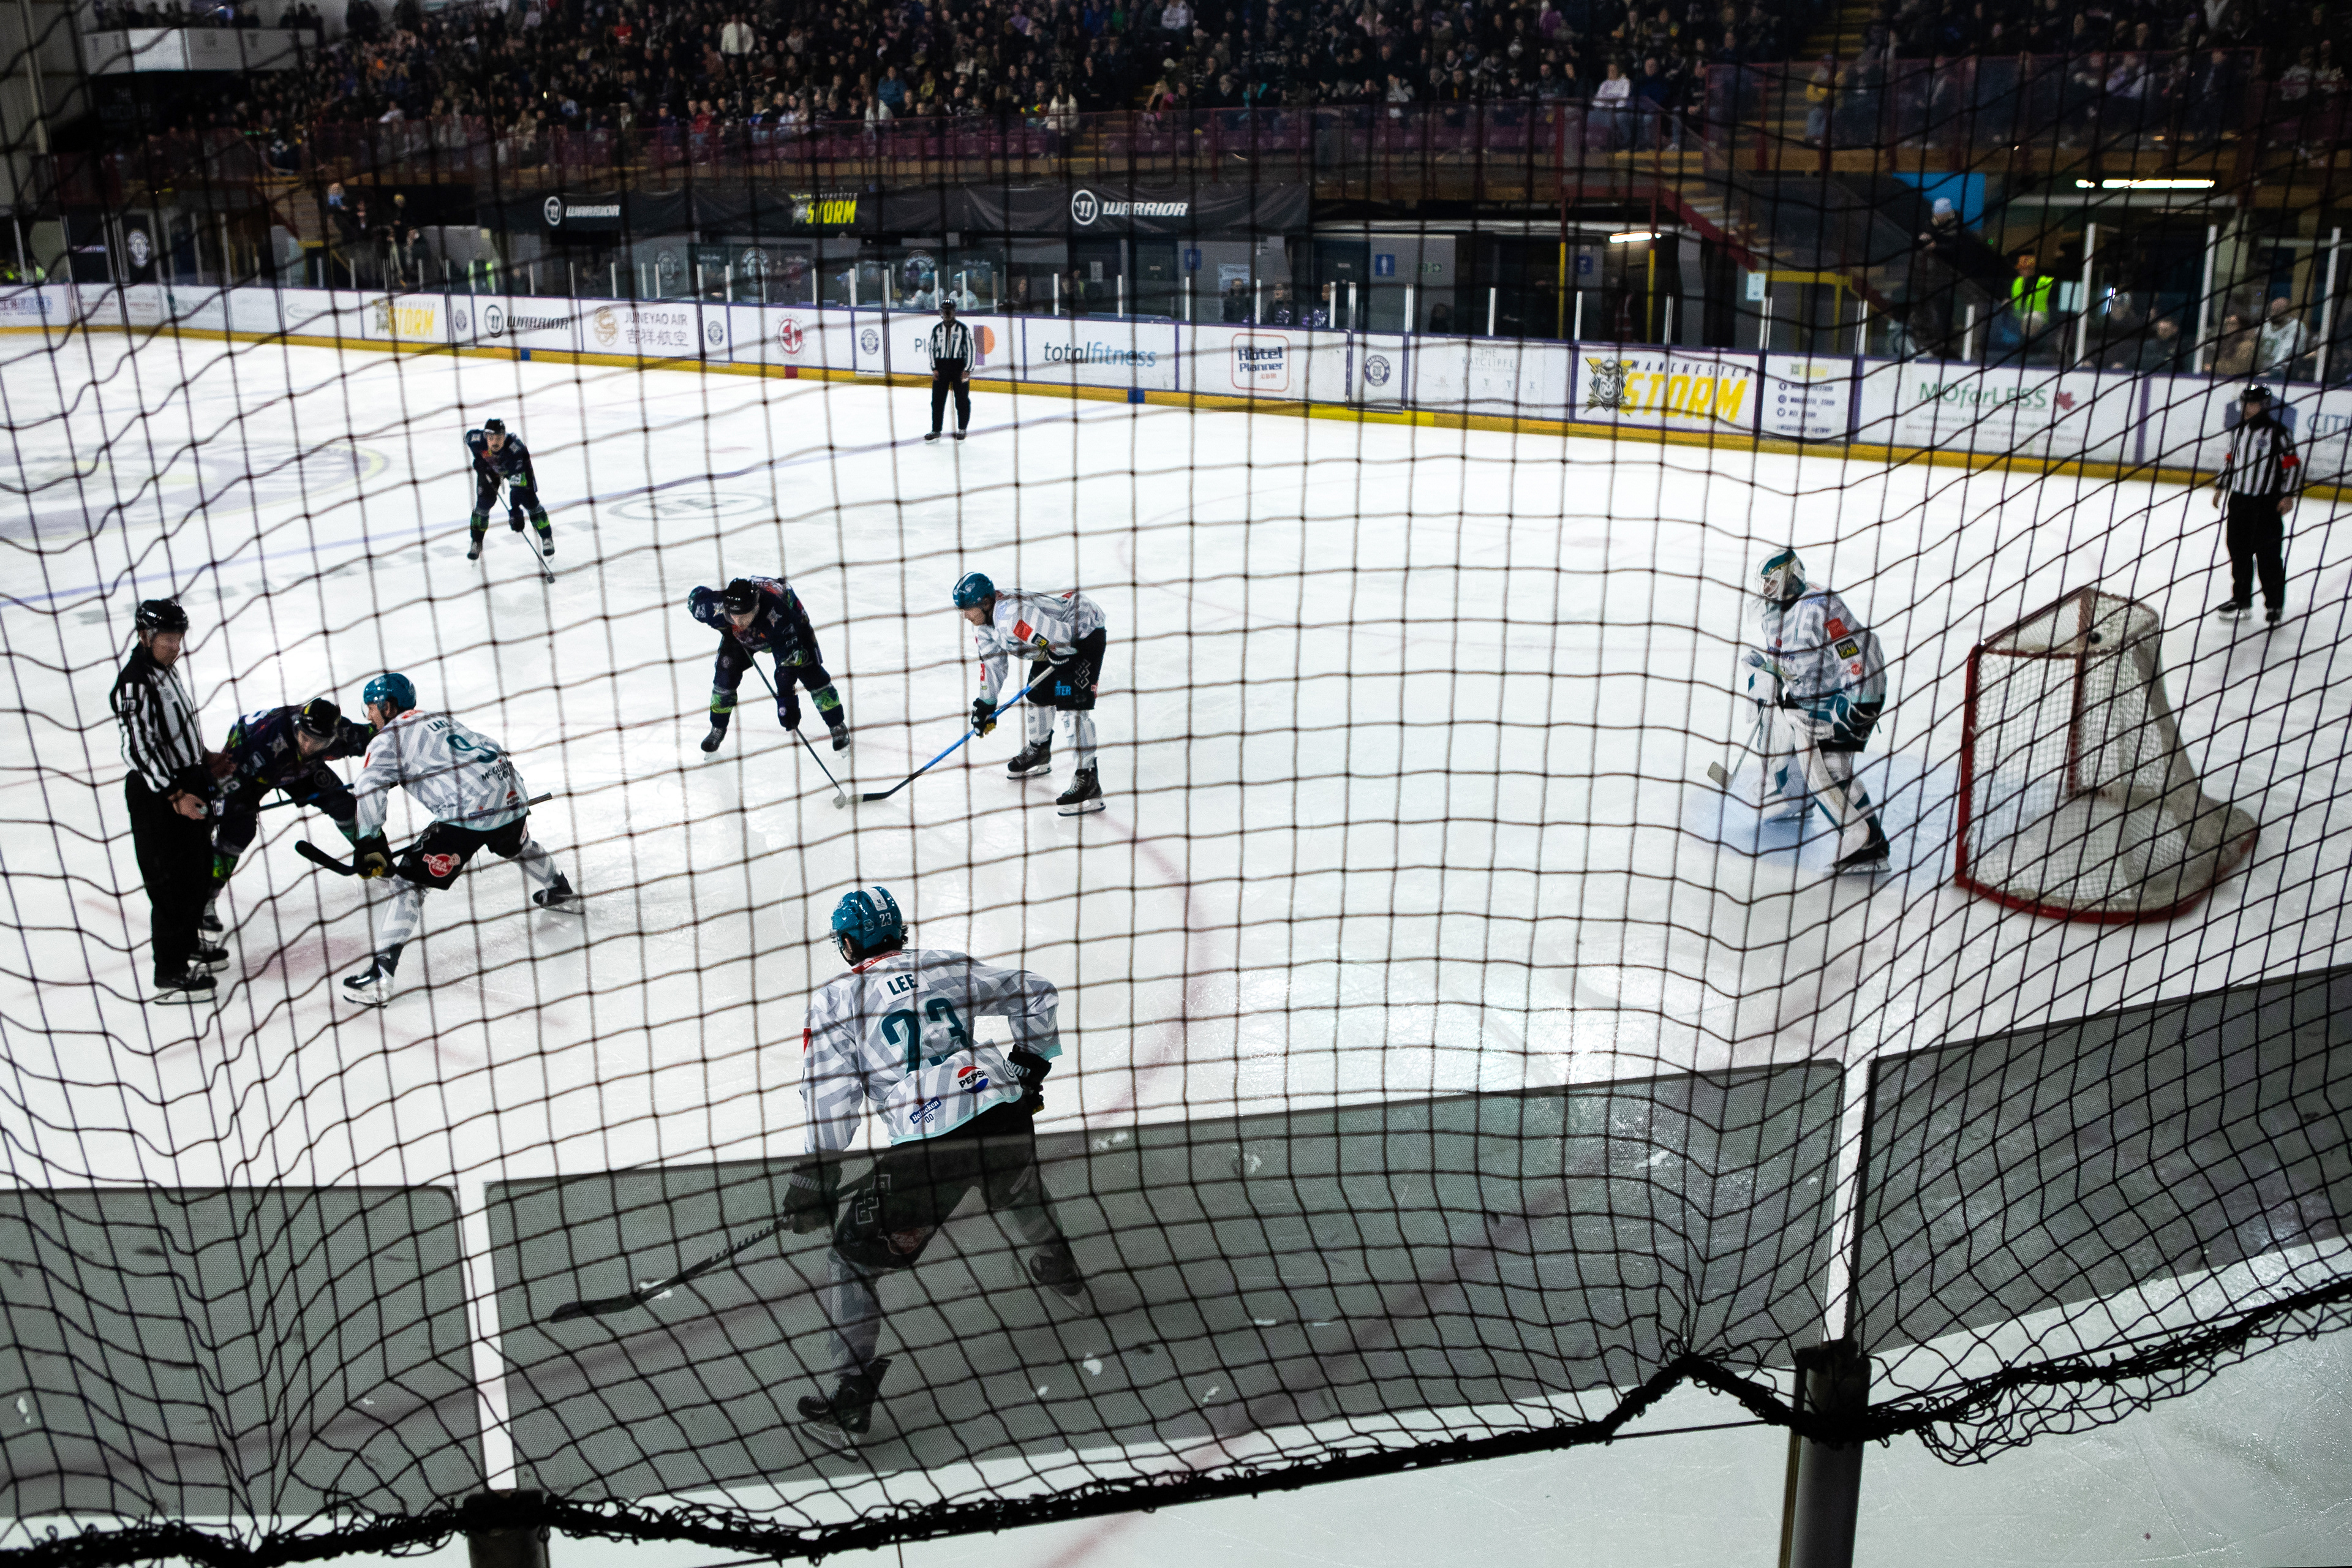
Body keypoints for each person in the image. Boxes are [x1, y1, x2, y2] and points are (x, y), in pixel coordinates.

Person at [786, 885, 1083, 1443]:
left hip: (930, 1148)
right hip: (1001, 1112)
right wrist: (1028, 1067)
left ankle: (852, 1393)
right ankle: (1058, 1261)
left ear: (848, 944)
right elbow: (1037, 993)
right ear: (898, 932)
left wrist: (815, 1176)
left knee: (853, 1257)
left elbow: (830, 1097)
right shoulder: (943, 964)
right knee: (1016, 1184)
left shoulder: (834, 1001)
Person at [338, 673, 578, 1005]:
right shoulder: (437, 719)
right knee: (517, 846)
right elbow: (487, 748)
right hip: (510, 795)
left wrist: (368, 841)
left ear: (386, 706)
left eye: (371, 709)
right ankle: (559, 888)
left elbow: (369, 790)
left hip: (468, 813)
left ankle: (379, 978)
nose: (368, 718)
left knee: (408, 885)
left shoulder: (387, 740)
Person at [109, 598, 230, 1003]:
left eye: (179, 637)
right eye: (167, 638)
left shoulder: (165, 670)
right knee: (169, 881)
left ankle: (188, 942)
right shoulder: (134, 684)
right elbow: (137, 750)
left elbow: (176, 730)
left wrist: (204, 758)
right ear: (145, 636)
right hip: (157, 796)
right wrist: (175, 794)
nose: (176, 645)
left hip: (187, 780)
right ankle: (171, 972)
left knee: (198, 870)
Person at [1743, 549, 1891, 874]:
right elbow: (1790, 660)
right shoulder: (1773, 610)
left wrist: (1853, 712)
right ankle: (1794, 797)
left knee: (1828, 768)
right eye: (1764, 583)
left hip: (1839, 702)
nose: (1766, 589)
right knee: (1774, 733)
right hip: (1802, 700)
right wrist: (1767, 672)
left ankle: (1868, 843)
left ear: (1789, 577)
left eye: (1772, 582)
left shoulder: (1821, 609)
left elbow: (1860, 654)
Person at [954, 571, 1109, 814]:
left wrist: (1062, 656)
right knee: (1038, 696)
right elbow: (993, 666)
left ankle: (1088, 778)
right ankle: (1040, 751)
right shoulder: (985, 626)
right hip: (1052, 643)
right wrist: (987, 704)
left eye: (968, 609)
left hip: (1082, 632)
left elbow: (1062, 637)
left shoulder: (1012, 618)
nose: (965, 616)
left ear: (985, 603)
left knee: (1071, 708)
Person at [210, 696, 374, 915]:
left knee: (343, 805)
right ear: (298, 728)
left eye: (317, 742)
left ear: (332, 738)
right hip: (250, 772)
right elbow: (222, 784)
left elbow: (376, 736)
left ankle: (372, 853)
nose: (307, 746)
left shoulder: (343, 733)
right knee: (238, 831)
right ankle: (205, 897)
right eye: (304, 737)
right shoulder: (262, 747)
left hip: (296, 768)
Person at [687, 576, 851, 753]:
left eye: (745, 616)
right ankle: (717, 727)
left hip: (787, 629)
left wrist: (787, 702)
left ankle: (837, 725)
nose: (740, 622)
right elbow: (694, 598)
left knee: (811, 672)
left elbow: (786, 669)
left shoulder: (779, 616)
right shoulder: (713, 609)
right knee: (725, 674)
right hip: (739, 636)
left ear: (756, 608)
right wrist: (725, 625)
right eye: (734, 616)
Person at [2209, 383, 2299, 625]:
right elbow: (2230, 460)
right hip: (2239, 501)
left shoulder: (2279, 433)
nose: (2248, 408)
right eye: (2245, 403)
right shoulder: (2238, 431)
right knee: (2239, 552)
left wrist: (2288, 495)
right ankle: (2241, 600)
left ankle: (2274, 605)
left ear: (2265, 405)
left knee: (2269, 555)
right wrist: (2221, 487)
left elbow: (2292, 464)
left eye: (2253, 403)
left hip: (2266, 504)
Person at [464, 417, 553, 561]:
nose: (495, 442)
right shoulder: (476, 440)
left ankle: (547, 537)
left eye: (499, 437)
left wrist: (515, 510)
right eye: (491, 438)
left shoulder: (515, 450)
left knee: (529, 501)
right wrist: (479, 460)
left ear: (505, 436)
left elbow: (517, 487)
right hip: (490, 470)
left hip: (517, 470)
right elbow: (467, 437)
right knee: (483, 504)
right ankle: (476, 541)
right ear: (485, 437)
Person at [924, 297, 974, 442]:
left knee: (962, 400)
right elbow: (932, 349)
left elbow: (971, 349)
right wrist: (934, 368)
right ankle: (936, 430)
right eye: (945, 311)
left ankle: (962, 429)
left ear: (954, 312)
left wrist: (968, 369)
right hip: (942, 368)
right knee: (937, 401)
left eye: (950, 311)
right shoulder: (937, 329)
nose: (947, 314)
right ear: (941, 312)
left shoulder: (963, 329)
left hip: (959, 368)